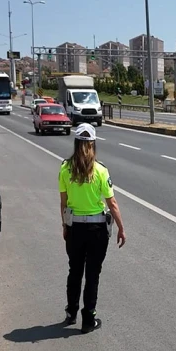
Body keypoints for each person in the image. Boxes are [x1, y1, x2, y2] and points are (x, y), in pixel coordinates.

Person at [59, 123, 126, 333]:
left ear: (76, 143)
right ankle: (88, 320)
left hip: (74, 228)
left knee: (75, 271)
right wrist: (122, 229)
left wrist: (64, 225)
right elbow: (112, 203)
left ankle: (71, 312)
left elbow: (64, 202)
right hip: (97, 230)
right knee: (93, 274)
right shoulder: (100, 170)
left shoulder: (65, 169)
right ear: (93, 144)